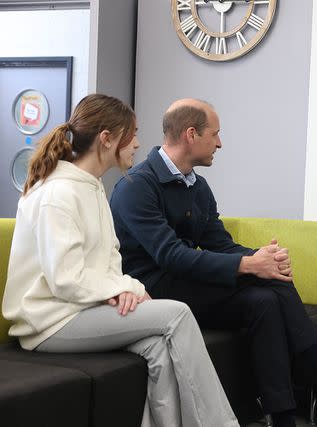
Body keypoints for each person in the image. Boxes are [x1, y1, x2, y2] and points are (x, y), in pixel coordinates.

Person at [109, 98, 317, 427]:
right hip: (153, 293)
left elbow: (219, 243)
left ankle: (283, 417)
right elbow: (170, 255)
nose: (220, 143)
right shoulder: (136, 186)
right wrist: (250, 266)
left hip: (190, 283)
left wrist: (264, 258)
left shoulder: (197, 185)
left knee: (265, 298)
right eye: (215, 134)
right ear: (191, 135)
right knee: (266, 283)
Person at [1, 94, 239, 427]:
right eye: (133, 133)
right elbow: (66, 279)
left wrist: (125, 286)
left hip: (83, 309)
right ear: (107, 139)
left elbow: (111, 259)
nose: (139, 143)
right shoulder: (57, 194)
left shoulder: (92, 187)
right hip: (50, 322)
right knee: (177, 313)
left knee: (158, 347)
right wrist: (124, 289)